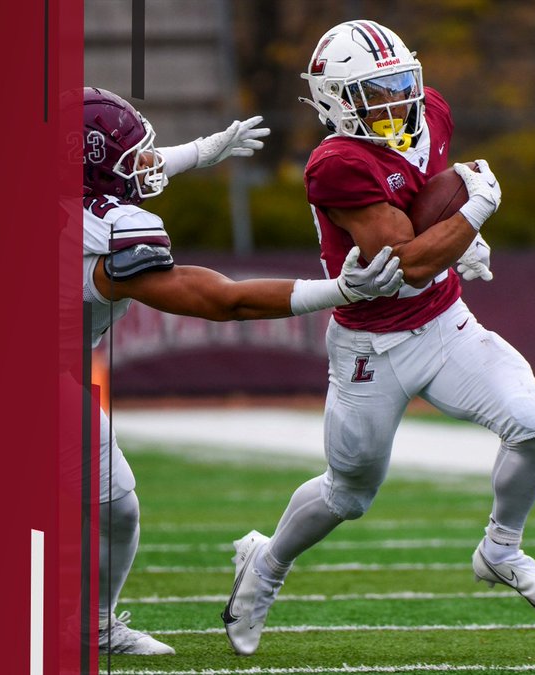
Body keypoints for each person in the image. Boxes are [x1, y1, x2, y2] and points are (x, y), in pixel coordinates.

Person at [222, 19, 535, 656]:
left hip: (444, 323)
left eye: (399, 82)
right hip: (369, 346)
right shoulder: (336, 164)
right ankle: (265, 565)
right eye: (374, 90)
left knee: (531, 421)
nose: (395, 100)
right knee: (349, 493)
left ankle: (502, 549)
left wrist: (463, 236)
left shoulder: (432, 113)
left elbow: (423, 200)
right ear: (334, 100)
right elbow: (408, 259)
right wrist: (471, 216)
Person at [75, 86, 405, 655]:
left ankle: (94, 625)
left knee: (116, 507)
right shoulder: (98, 240)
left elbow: (122, 172)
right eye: (131, 161)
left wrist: (203, 151)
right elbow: (223, 301)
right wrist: (340, 289)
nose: (147, 168)